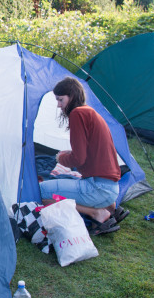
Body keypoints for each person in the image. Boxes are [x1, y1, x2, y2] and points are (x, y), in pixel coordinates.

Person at [39, 77, 128, 234]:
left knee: (40, 191)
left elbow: (79, 159)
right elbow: (89, 152)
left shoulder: (77, 114)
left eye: (60, 100)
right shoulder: (89, 112)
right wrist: (67, 154)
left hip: (97, 188)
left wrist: (61, 158)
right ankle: (113, 209)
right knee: (67, 179)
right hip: (109, 187)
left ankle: (96, 213)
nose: (59, 105)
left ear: (71, 96)